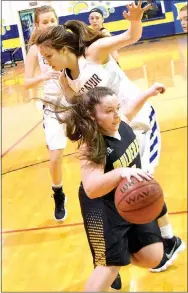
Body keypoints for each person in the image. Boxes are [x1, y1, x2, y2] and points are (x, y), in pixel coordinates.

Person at [34, 0, 184, 288]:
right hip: (113, 129)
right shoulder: (67, 78)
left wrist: (135, 19)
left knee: (142, 183)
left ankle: (168, 238)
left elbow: (131, 37)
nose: (46, 60)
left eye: (48, 54)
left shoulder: (93, 52)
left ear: (63, 49)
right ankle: (116, 257)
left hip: (136, 120)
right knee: (120, 185)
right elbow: (81, 108)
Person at [45, 86, 165, 292]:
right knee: (109, 265)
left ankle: (119, 249)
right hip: (101, 208)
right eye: (109, 111)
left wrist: (147, 94)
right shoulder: (92, 145)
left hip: (129, 201)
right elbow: (91, 188)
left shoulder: (122, 123)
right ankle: (112, 258)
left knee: (153, 256)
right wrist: (120, 173)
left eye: (117, 108)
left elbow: (130, 111)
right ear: (92, 116)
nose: (116, 114)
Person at [24, 5, 67, 221]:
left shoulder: (69, 38)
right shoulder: (35, 50)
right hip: (52, 105)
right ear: (37, 25)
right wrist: (44, 76)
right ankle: (58, 193)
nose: (50, 24)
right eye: (45, 22)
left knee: (95, 148)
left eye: (52, 20)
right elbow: (26, 83)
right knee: (55, 155)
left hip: (76, 102)